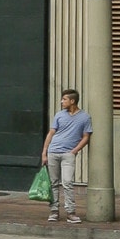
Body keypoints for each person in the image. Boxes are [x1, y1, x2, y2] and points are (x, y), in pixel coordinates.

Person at [42, 88, 93, 222]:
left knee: (67, 182)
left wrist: (74, 151)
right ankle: (54, 211)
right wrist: (44, 152)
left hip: (68, 154)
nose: (61, 102)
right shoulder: (59, 115)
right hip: (53, 151)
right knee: (53, 183)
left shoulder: (85, 117)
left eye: (64, 99)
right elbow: (51, 133)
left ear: (72, 101)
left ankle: (70, 212)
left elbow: (86, 137)